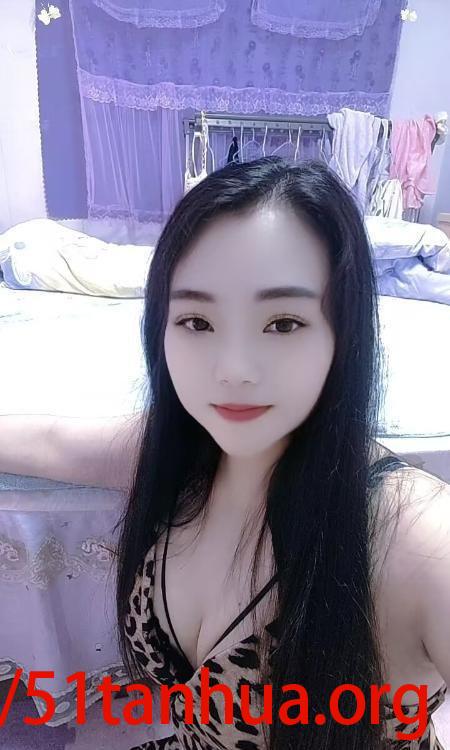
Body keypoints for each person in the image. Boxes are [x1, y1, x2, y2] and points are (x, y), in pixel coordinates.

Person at [1, 158, 449, 750]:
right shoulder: (183, 452)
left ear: (343, 333)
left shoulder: (416, 536)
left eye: (283, 323)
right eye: (196, 321)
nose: (233, 370)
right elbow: (50, 441)